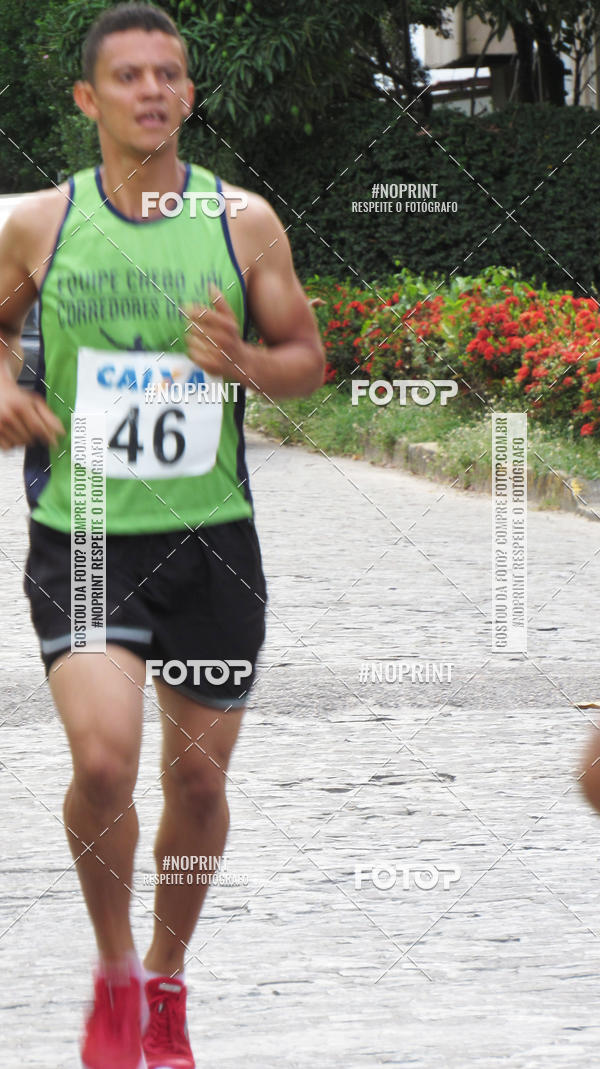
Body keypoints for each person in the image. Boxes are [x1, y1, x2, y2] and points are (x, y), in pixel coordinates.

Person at [0, 5, 324, 1068]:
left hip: (211, 542)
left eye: (168, 76)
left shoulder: (246, 224)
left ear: (188, 96)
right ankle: (113, 973)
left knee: (196, 783)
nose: (151, 91)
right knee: (103, 761)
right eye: (128, 76)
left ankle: (168, 981)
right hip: (83, 532)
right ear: (89, 99)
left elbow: (306, 360)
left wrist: (246, 365)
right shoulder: (38, 224)